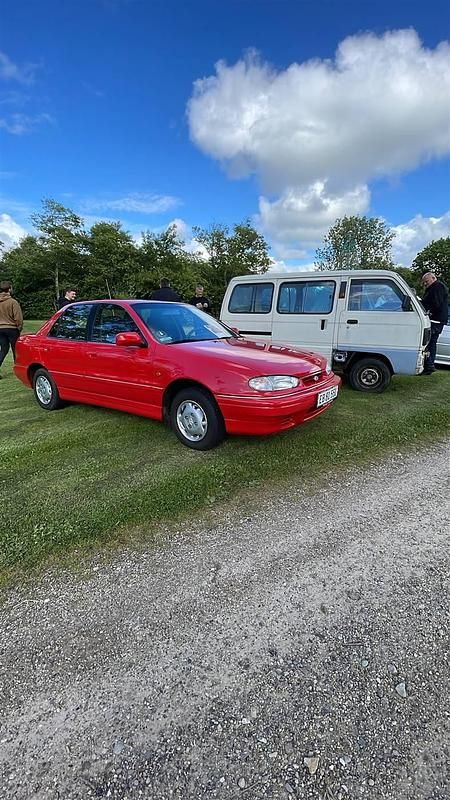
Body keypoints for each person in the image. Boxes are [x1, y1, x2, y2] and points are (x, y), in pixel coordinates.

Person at [421, 272, 449, 375]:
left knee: (427, 343)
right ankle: (429, 365)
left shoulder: (437, 287)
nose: (425, 284)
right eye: (424, 282)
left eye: (426, 281)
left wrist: (429, 312)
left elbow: (436, 302)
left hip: (435, 320)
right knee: (431, 343)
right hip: (438, 320)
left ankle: (429, 365)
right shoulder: (437, 287)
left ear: (433, 278)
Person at [0, 281, 23, 377]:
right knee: (16, 350)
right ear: (9, 289)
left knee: (4, 349)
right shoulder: (13, 302)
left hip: (0, 329)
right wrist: (19, 327)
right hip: (12, 328)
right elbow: (18, 317)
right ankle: (18, 370)